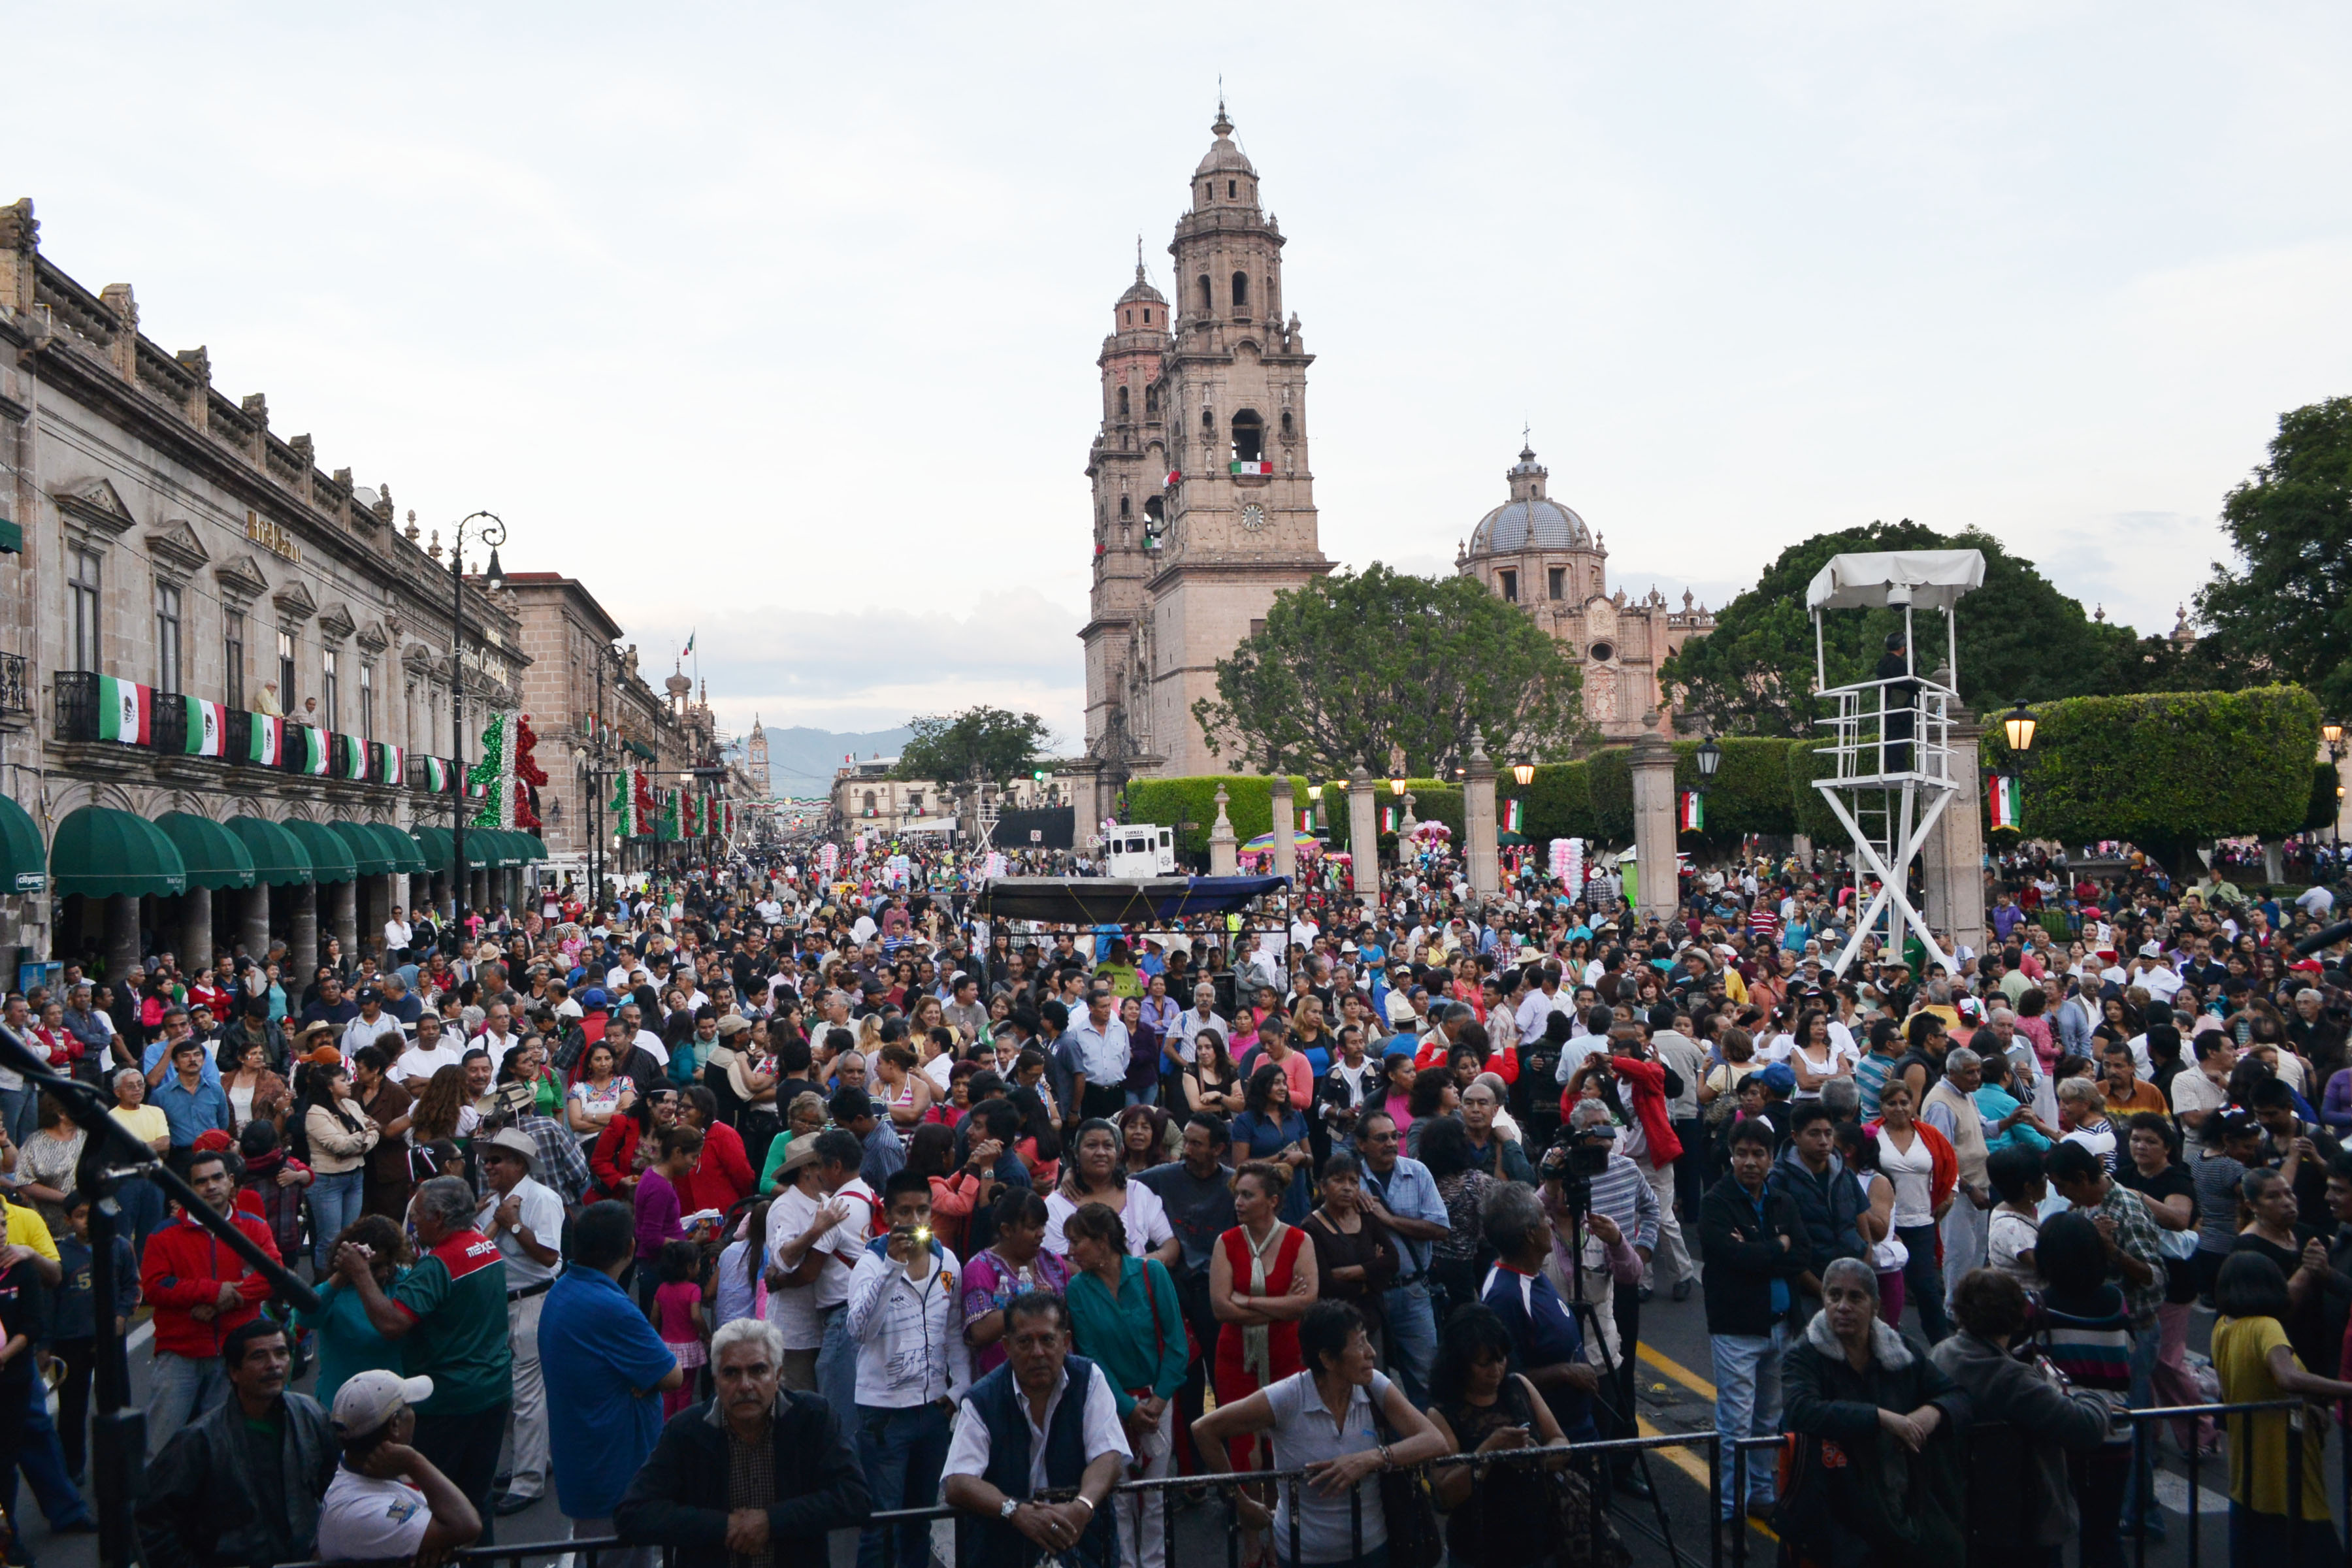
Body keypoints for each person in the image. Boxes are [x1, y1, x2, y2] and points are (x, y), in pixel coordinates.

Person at [1191, 1299, 1448, 1568]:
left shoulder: (1374, 1385)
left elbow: (1435, 1441)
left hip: (1374, 1550)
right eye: (1359, 1344)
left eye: (1367, 1341)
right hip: (1302, 1556)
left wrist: (1372, 1459)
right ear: (1327, 1359)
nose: (1371, 1352)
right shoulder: (1289, 1397)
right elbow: (1204, 1430)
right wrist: (1241, 1504)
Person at [328, 1174, 514, 1527]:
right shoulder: (483, 1244)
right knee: (477, 1497)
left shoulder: (438, 1264)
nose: (411, 1222)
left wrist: (360, 1273)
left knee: (434, 1500)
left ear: (439, 1218)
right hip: (493, 1389)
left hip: (449, 1401)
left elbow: (393, 1324)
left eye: (416, 1215)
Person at [617, 1316, 872, 1568]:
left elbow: (854, 1497)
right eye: (731, 1373)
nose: (745, 1385)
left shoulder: (813, 1418)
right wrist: (723, 1526)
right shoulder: (686, 1431)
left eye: (758, 1370)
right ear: (716, 1381)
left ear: (778, 1375)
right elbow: (634, 1513)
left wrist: (771, 1522)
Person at [1778, 1258, 1969, 1566]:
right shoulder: (1804, 1355)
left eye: (1856, 1297)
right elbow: (1802, 1410)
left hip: (1902, 1503)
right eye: (1834, 1295)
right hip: (1837, 1510)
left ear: (1876, 1306)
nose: (1843, 1306)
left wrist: (1930, 1414)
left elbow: (1956, 1396)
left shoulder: (1902, 1351)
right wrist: (1881, 1418)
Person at [1929, 1269, 2117, 1568]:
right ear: (2016, 1316)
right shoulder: (2011, 1378)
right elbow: (2085, 1427)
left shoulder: (1942, 1355)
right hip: (2020, 1527)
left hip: (1964, 1516)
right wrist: (2089, 1396)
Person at [540, 1200, 685, 1565]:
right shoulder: (610, 1306)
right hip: (614, 1473)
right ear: (630, 1248)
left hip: (588, 1463)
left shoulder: (563, 1289)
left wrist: (638, 1378)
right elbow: (672, 1375)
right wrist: (642, 1380)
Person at [941, 1292, 1129, 1568]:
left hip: (1079, 1543)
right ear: (1006, 1347)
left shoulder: (1088, 1378)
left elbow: (1109, 1455)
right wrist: (1015, 1512)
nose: (1038, 1352)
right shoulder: (982, 1399)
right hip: (1004, 1549)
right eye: (1025, 1342)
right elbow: (958, 1481)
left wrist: (1082, 1506)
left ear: (1065, 1342)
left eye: (1047, 1340)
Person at [135, 1317, 337, 1568]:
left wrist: (327, 1544)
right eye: (259, 1357)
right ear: (234, 1371)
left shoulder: (312, 1415)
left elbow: (335, 1490)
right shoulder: (200, 1440)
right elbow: (152, 1523)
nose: (273, 1365)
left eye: (281, 1353)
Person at [846, 1169, 972, 1568]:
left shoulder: (947, 1261)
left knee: (921, 1519)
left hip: (933, 1411)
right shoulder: (869, 1264)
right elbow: (860, 1331)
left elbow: (954, 1331)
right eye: (906, 1212)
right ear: (887, 1213)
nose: (916, 1222)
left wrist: (958, 1390)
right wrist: (892, 1268)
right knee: (881, 1524)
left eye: (923, 1211)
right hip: (884, 1415)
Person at [1063, 1201, 1189, 1568]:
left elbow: (1176, 1343)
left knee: (1154, 1494)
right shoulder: (1078, 1290)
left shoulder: (1152, 1274)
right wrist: (1127, 1407)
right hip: (1111, 1405)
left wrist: (1159, 1400)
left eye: (1077, 1242)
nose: (1070, 1251)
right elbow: (1091, 1356)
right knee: (1117, 1496)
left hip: (1157, 1399)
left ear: (1103, 1241)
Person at [1424, 1301, 1596, 1568]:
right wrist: (1489, 1451)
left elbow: (1562, 1444)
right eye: (1484, 1364)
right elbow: (1447, 1493)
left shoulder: (1519, 1387)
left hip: (1538, 1540)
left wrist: (1535, 1454)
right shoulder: (1442, 1415)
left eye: (1501, 1359)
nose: (1496, 1370)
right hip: (1480, 1549)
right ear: (1459, 1364)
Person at [2210, 1251, 2352, 1567]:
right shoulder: (2265, 1327)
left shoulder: (2223, 1326)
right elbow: (2287, 1377)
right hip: (2285, 1465)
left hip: (2248, 1469)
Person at [1699, 1114, 1806, 1525]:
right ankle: (1728, 1512)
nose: (1749, 1162)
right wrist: (1777, 1245)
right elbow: (1732, 1256)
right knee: (1735, 1424)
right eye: (1741, 1153)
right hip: (1737, 1330)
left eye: (1758, 1154)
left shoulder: (1782, 1201)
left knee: (1768, 1420)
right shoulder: (1716, 1203)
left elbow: (1802, 1255)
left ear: (1772, 1158)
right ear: (1731, 1156)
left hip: (1781, 1325)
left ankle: (1762, 1493)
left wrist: (1761, 1251)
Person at [140, 1145, 283, 1452]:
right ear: (189, 1188)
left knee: (224, 1443)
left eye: (217, 1178)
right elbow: (154, 1287)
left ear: (231, 1180)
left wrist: (224, 1300)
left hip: (234, 1353)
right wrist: (212, 1291)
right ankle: (152, 1499)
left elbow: (273, 1277)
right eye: (201, 1182)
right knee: (160, 1443)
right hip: (180, 1353)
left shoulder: (254, 1227)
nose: (211, 1186)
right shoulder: (163, 1234)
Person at [474, 1125, 565, 1515]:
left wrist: (511, 1223)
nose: (486, 1165)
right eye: (485, 1159)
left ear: (517, 1163)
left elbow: (549, 1258)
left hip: (533, 1303)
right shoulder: (491, 1201)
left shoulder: (542, 1199)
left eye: (494, 1159)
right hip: (503, 1305)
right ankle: (535, 1460)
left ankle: (527, 1482)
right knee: (516, 1396)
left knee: (528, 1396)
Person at [314, 1369, 484, 1563]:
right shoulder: (360, 1512)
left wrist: (449, 1543)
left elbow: (463, 1535)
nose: (414, 1414)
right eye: (409, 1406)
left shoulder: (378, 1464)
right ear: (395, 1424)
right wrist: (415, 1462)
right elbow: (468, 1527)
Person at [1479, 1182, 1601, 1443]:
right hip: (1554, 1437)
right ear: (1530, 1235)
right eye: (1543, 1217)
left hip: (1579, 1424)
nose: (1549, 1221)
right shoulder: (1505, 1297)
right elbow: (1504, 1377)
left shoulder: (1533, 1272)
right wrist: (1565, 1372)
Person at [1355, 1108, 1448, 1407]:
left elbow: (1439, 1228)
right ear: (1362, 1145)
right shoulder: (1350, 1180)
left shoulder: (1417, 1172)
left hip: (1413, 1293)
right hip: (1369, 1296)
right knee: (1371, 1382)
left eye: (1395, 1136)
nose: (1392, 1144)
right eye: (1381, 1138)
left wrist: (1389, 1220)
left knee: (1426, 1378)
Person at [297, 1213, 410, 1410]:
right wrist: (344, 1275)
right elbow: (305, 1318)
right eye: (374, 1267)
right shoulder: (335, 1291)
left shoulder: (403, 1281)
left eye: (389, 1264)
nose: (384, 1273)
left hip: (395, 1403)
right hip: (342, 1408)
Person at [961, 1188, 1072, 1378]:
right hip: (1004, 1382)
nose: (1042, 1234)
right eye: (1032, 1227)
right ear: (1006, 1230)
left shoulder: (1052, 1260)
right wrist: (1032, 1304)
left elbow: (1071, 1314)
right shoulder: (980, 1268)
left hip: (1057, 1375)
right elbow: (980, 1331)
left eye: (1043, 1226)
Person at [1045, 1116, 1179, 1262]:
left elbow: (1170, 1244)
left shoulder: (1138, 1193)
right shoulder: (1057, 1204)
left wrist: (1139, 1266)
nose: (1101, 1153)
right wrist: (1109, 1279)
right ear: (1076, 1154)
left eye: (1108, 1146)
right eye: (1092, 1145)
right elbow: (1055, 1260)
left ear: (1119, 1153)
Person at [1302, 1152, 1396, 1352]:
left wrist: (1348, 1272)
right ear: (1323, 1187)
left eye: (1353, 1182)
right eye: (1338, 1180)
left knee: (1374, 1378)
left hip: (1370, 1319)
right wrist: (1372, 1278)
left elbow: (1393, 1260)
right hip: (1334, 1325)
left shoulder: (1367, 1217)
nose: (1347, 1187)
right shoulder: (1311, 1228)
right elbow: (1326, 1285)